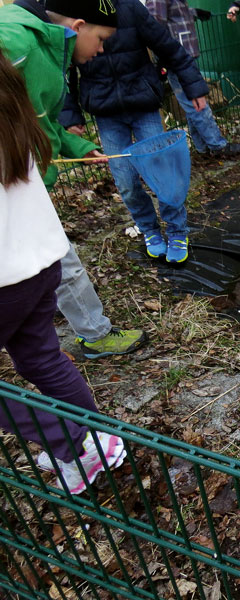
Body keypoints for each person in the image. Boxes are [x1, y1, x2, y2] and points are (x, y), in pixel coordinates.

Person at [0, 43, 126, 496]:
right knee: (41, 358)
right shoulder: (11, 109)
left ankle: (77, 442)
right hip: (40, 263)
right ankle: (96, 445)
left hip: (4, 277)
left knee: (41, 360)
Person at [0, 0, 147, 360]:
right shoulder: (18, 41)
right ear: (79, 25)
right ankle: (93, 334)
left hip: (23, 177)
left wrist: (78, 144)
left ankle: (91, 331)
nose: (100, 50)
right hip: (14, 179)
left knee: (57, 257)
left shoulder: (49, 46)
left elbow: (38, 120)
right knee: (59, 257)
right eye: (100, 39)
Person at [60, 0, 209, 264]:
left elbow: (167, 46)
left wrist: (193, 87)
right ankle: (150, 230)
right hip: (106, 113)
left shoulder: (129, 8)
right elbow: (64, 69)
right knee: (127, 182)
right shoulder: (73, 15)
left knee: (162, 174)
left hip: (143, 104)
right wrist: (71, 114)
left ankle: (176, 231)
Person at [144, 0, 240, 157]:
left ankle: (201, 147)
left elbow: (174, 16)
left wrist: (194, 12)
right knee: (197, 103)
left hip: (184, 56)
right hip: (176, 58)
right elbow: (154, 24)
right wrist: (163, 56)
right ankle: (218, 146)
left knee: (191, 104)